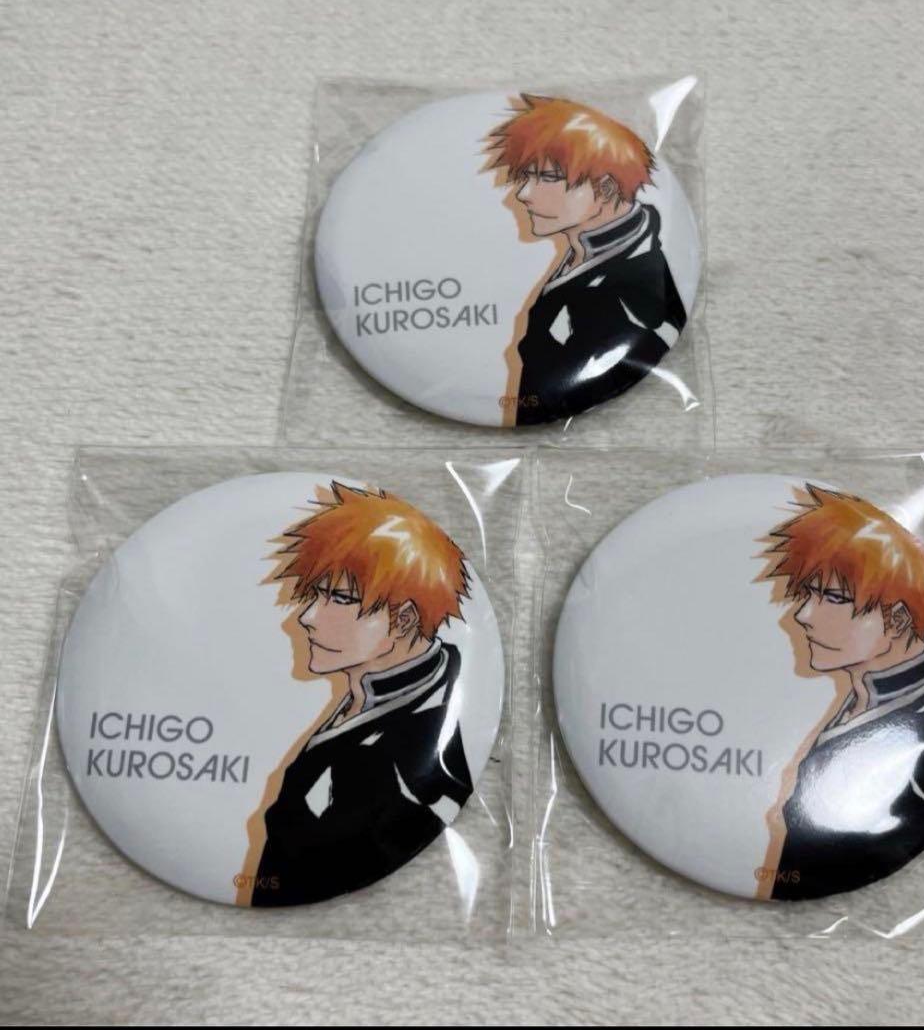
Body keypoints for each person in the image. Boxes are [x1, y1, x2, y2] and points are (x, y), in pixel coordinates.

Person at [246, 482, 473, 906]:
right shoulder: (411, 687)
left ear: (404, 621)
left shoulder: (391, 763)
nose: (306, 616)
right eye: (315, 593)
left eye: (339, 598)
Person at [764, 484, 924, 901]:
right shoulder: (872, 696)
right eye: (808, 592)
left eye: (832, 597)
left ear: (897, 621)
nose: (802, 614)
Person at [485, 94, 687, 425]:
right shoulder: (591, 256)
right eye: (525, 176)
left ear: (606, 189)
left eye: (548, 178)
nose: (522, 194)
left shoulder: (617, 300)